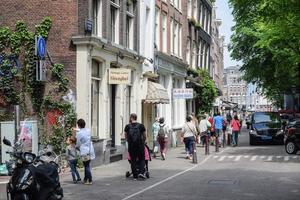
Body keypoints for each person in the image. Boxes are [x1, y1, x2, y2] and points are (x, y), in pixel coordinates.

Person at [124, 113, 147, 180]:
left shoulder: (127, 126)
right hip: (140, 146)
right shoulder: (141, 126)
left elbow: (125, 135)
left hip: (132, 146)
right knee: (142, 159)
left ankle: (135, 176)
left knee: (133, 160)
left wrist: (129, 141)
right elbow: (144, 135)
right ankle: (141, 173)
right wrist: (143, 142)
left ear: (131, 118)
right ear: (136, 118)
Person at [76, 119, 95, 185]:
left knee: (86, 166)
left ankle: (90, 180)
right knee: (87, 165)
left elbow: (78, 143)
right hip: (90, 150)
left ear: (78, 125)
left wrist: (77, 147)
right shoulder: (88, 130)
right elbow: (83, 132)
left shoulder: (79, 134)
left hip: (84, 151)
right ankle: (85, 179)